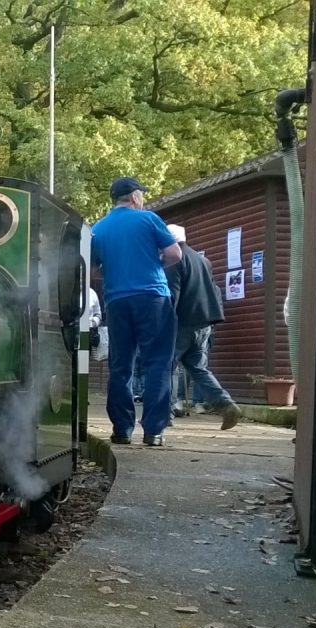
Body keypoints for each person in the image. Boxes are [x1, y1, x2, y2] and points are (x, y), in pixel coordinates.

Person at [91, 176, 183, 446]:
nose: (142, 198)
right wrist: (153, 264)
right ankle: (153, 431)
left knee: (121, 365)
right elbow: (175, 254)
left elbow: (93, 269)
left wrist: (114, 271)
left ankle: (122, 430)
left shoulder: (100, 228)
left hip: (117, 301)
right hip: (153, 297)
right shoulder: (149, 219)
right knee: (157, 362)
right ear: (133, 197)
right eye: (141, 194)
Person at [165, 224, 242, 430]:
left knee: (167, 366)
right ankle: (226, 404)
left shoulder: (174, 260)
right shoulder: (202, 260)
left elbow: (173, 295)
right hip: (204, 323)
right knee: (199, 368)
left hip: (183, 322)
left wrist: (164, 320)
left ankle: (165, 413)